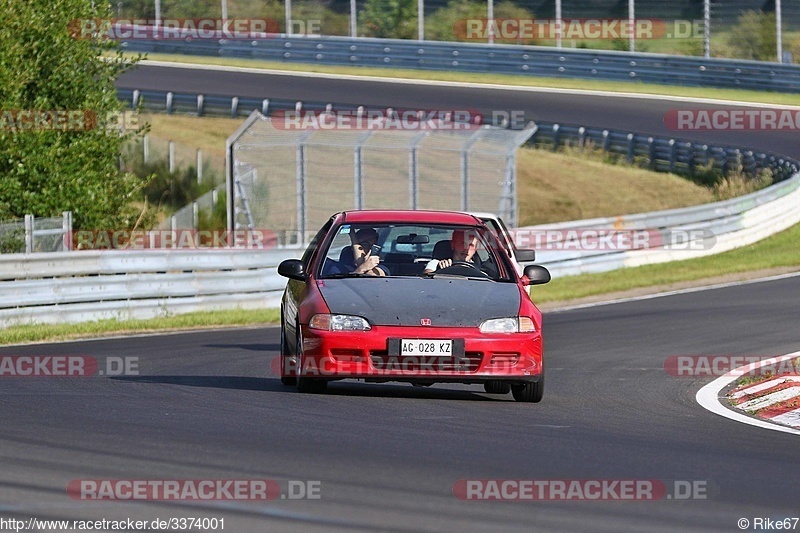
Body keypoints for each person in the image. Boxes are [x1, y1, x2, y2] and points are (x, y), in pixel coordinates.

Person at [322, 227, 389, 276]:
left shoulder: (382, 267)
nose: (370, 248)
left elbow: (372, 277)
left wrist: (365, 265)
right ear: (353, 247)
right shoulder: (337, 269)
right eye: (365, 244)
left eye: (374, 245)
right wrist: (362, 268)